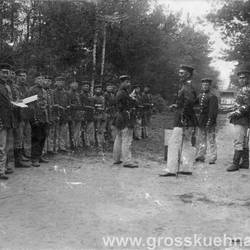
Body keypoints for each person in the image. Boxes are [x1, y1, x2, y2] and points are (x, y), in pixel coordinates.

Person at [159, 65, 197, 177]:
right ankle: (186, 168)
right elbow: (187, 102)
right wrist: (177, 105)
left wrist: (183, 113)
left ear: (188, 74)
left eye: (182, 73)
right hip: (187, 118)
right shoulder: (186, 86)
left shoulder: (187, 87)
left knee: (173, 143)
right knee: (186, 143)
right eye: (179, 73)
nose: (179, 75)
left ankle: (171, 169)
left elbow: (189, 102)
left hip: (182, 119)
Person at [227, 68, 250, 172]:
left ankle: (235, 163)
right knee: (244, 141)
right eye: (240, 78)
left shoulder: (247, 90)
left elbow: (247, 105)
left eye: (243, 78)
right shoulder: (241, 90)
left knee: (238, 140)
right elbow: (238, 104)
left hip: (242, 119)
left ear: (247, 79)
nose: (241, 80)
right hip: (242, 119)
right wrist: (231, 109)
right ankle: (245, 162)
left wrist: (236, 112)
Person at [113, 75, 138, 168]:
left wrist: (130, 97)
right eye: (127, 82)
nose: (129, 84)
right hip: (125, 116)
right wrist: (133, 99)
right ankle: (127, 161)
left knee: (119, 138)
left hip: (120, 116)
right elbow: (130, 104)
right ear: (122, 83)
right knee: (127, 139)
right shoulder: (123, 93)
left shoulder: (121, 92)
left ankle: (116, 158)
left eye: (129, 82)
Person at [195, 78, 218, 164]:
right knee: (202, 139)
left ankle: (213, 157)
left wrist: (210, 121)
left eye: (207, 85)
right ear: (202, 85)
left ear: (209, 86)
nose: (205, 86)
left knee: (211, 139)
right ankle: (201, 155)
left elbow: (213, 112)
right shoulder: (200, 96)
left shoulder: (212, 96)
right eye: (203, 85)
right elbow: (194, 103)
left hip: (209, 120)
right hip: (201, 120)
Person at [29, 75, 50, 167]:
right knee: (36, 138)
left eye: (43, 79)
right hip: (36, 118)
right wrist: (34, 119)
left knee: (43, 137)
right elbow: (30, 105)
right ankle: (34, 159)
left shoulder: (44, 91)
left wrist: (47, 119)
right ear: (35, 80)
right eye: (39, 79)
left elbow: (46, 105)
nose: (41, 80)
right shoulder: (32, 90)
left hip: (44, 118)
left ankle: (39, 156)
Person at [0, 64, 15, 179]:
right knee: (1, 146)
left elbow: (9, 103)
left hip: (8, 120)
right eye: (3, 72)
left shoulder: (8, 86)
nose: (5, 75)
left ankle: (2, 169)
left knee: (4, 146)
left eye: (7, 73)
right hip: (1, 120)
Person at [53, 76, 70, 152]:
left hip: (64, 114)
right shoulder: (53, 92)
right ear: (56, 83)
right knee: (55, 132)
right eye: (59, 82)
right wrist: (57, 106)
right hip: (56, 113)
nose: (61, 84)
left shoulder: (66, 92)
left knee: (63, 132)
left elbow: (69, 102)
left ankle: (62, 147)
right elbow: (52, 103)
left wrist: (68, 106)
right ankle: (55, 148)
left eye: (62, 82)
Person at [68, 81, 84, 150]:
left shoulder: (78, 94)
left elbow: (80, 103)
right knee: (72, 130)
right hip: (72, 114)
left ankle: (76, 144)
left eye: (76, 85)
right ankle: (72, 145)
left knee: (77, 130)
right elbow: (68, 104)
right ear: (70, 85)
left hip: (78, 114)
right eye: (73, 85)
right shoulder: (68, 93)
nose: (75, 86)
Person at [80, 82, 95, 148]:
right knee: (83, 130)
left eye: (88, 86)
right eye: (85, 86)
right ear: (82, 87)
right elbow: (81, 105)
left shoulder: (90, 95)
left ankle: (89, 143)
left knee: (89, 130)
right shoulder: (81, 95)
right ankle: (84, 143)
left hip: (90, 115)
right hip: (84, 114)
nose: (87, 87)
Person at [93, 85, 106, 152]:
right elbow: (94, 107)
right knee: (97, 130)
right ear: (95, 90)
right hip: (96, 115)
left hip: (102, 115)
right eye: (97, 89)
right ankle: (98, 144)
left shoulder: (102, 98)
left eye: (99, 89)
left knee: (102, 130)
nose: (98, 90)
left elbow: (104, 106)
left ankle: (102, 143)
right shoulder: (93, 98)